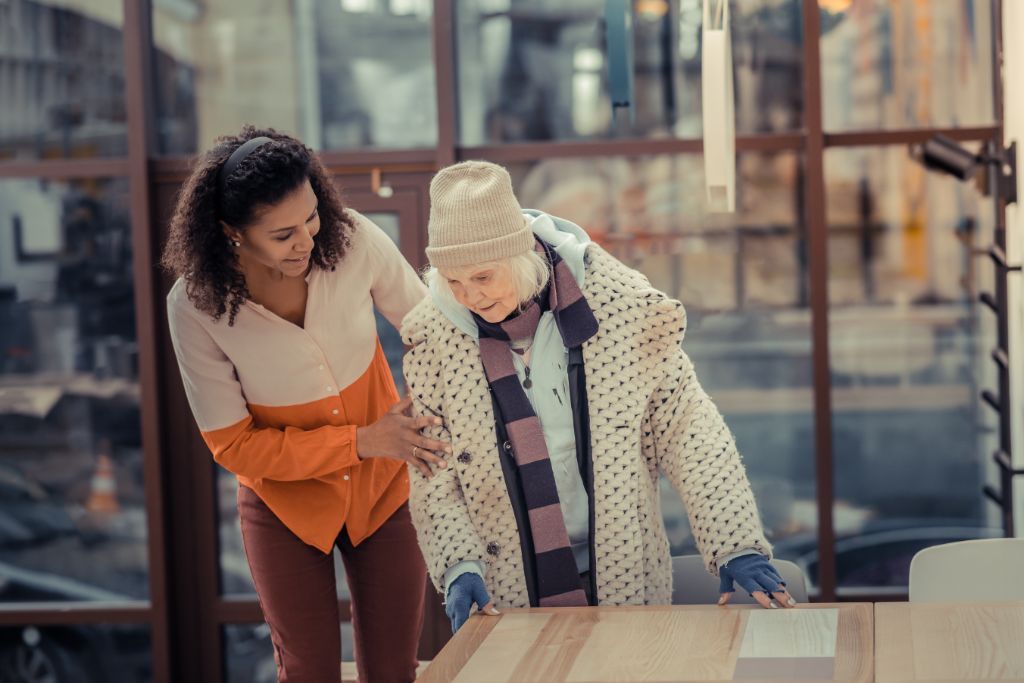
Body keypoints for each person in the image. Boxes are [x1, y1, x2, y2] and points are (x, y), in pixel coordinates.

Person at [401, 161, 795, 633]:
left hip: (622, 562)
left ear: (520, 258)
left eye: (484, 277)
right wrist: (457, 563)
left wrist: (735, 542)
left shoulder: (621, 307)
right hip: (505, 581)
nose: (470, 296)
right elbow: (433, 469)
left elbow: (688, 426)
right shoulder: (433, 340)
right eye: (454, 282)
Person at [162, 126, 448, 682]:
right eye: (283, 233)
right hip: (284, 511)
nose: (307, 240)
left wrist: (433, 416)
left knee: (393, 671)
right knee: (308, 670)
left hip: (384, 493)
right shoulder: (194, 306)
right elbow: (233, 444)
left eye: (312, 216)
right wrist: (362, 441)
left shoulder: (354, 239)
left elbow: (431, 330)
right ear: (231, 233)